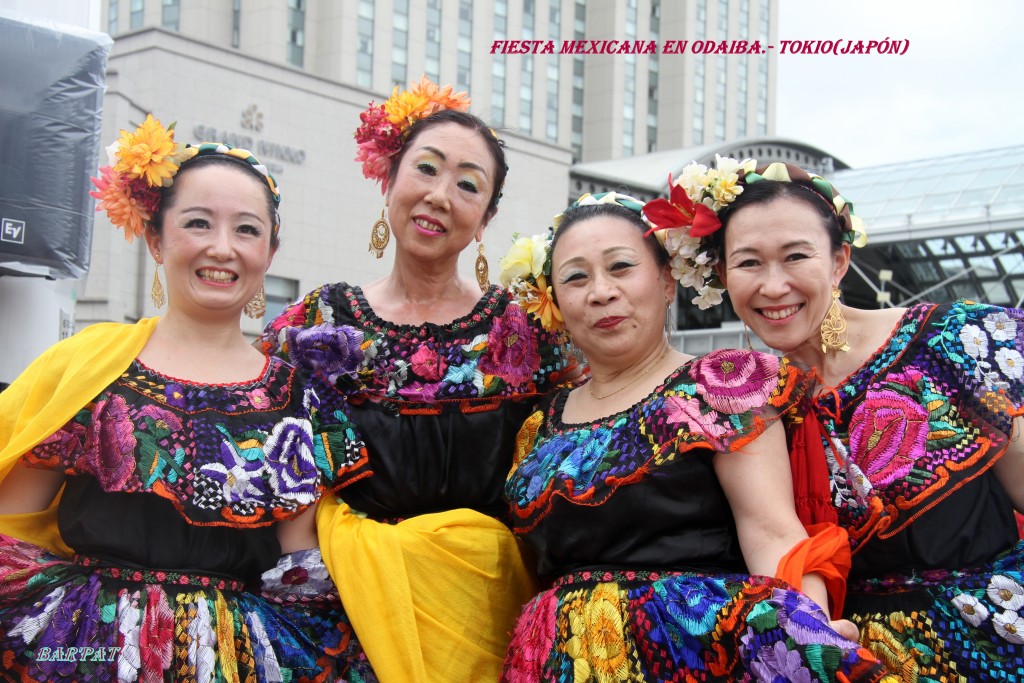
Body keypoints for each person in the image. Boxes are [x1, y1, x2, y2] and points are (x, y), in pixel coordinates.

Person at [0, 116, 365, 681]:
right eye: (198, 223)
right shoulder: (88, 367)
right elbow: (12, 532)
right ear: (156, 238)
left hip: (236, 662)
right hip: (84, 652)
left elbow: (301, 577)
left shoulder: (299, 398)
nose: (222, 248)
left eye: (247, 230)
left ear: (270, 252)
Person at [650, 156, 1024, 680]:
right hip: (856, 658)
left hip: (1001, 637)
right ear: (723, 276)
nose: (773, 286)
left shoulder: (952, 342)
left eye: (796, 256)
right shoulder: (751, 406)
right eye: (749, 263)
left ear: (839, 261)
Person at [499, 192, 898, 682]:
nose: (601, 292)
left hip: (693, 654)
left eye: (621, 267)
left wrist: (813, 631)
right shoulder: (539, 424)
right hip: (557, 663)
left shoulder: (722, 384)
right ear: (556, 301)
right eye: (576, 277)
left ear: (666, 281)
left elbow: (772, 531)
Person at [260, 77, 576, 682]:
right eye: (426, 169)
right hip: (343, 612)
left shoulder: (525, 331)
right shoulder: (319, 320)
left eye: (467, 185)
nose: (439, 195)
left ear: (486, 218)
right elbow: (266, 450)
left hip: (484, 612)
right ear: (389, 181)